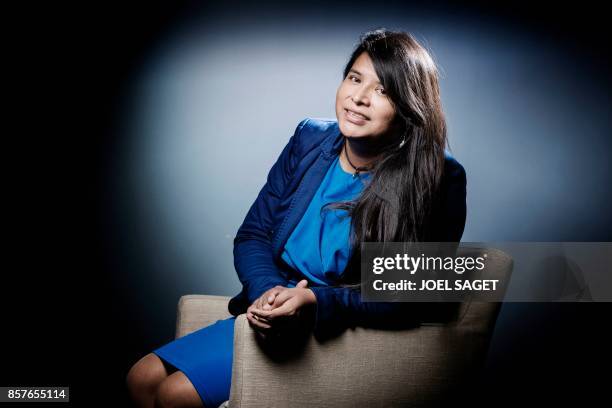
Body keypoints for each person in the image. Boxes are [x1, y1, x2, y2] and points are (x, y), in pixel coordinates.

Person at [126, 28, 467, 408]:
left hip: (336, 327)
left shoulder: (438, 176)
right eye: (354, 78)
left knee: (175, 397)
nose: (358, 98)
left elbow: (411, 296)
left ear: (408, 107)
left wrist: (313, 302)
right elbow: (253, 235)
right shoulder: (310, 140)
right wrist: (269, 293)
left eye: (383, 90)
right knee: (141, 378)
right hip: (274, 310)